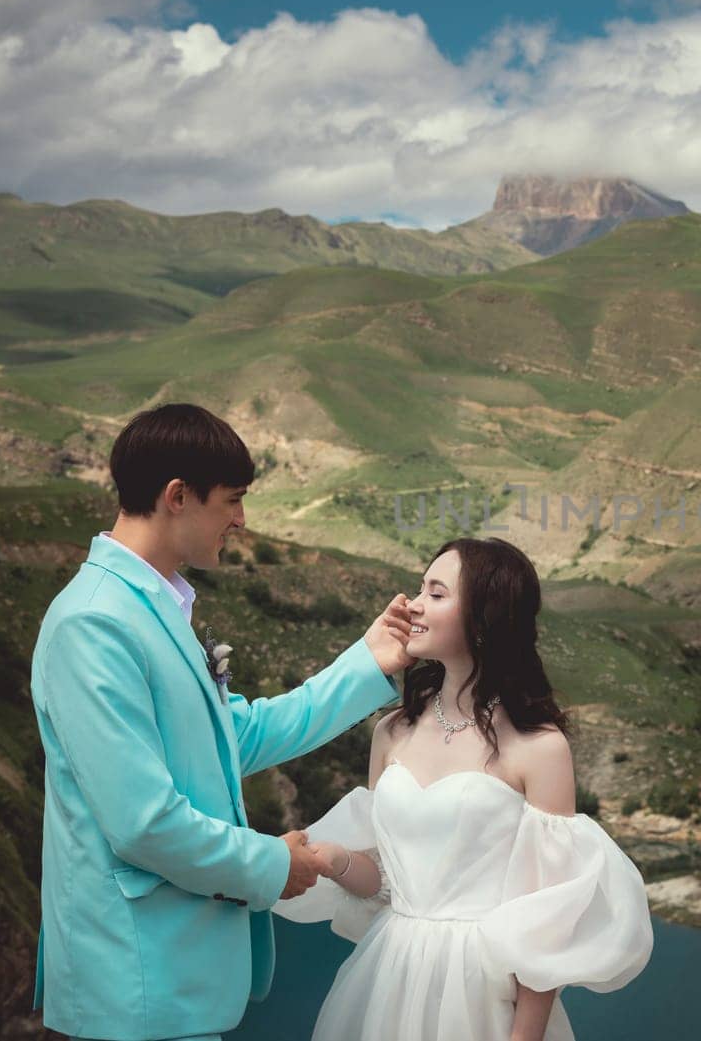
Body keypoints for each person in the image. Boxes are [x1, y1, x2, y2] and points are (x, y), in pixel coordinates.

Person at [28, 403, 417, 1041]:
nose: (241, 519)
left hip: (173, 983)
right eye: (233, 500)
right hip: (136, 984)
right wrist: (270, 865)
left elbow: (236, 738)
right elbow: (143, 823)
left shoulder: (151, 606)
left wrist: (367, 662)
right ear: (178, 496)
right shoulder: (93, 624)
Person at [273, 536, 654, 1040]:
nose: (412, 604)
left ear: (483, 618)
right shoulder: (392, 732)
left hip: (480, 998)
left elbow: (546, 921)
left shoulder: (539, 748)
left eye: (436, 593)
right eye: (419, 589)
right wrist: (335, 860)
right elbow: (388, 885)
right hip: (388, 978)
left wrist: (523, 1037)